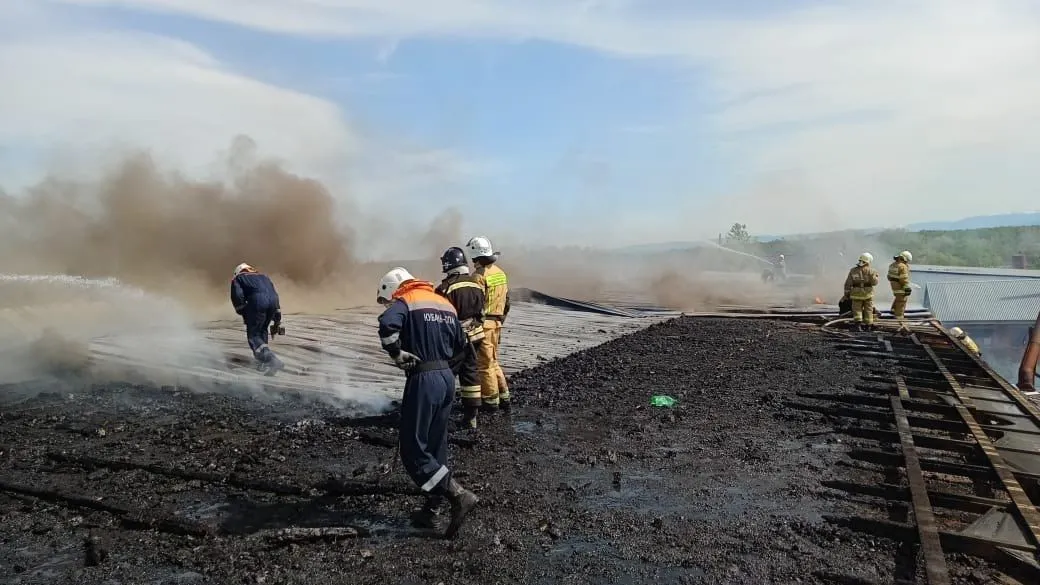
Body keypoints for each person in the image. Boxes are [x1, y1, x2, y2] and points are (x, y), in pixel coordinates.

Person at [376, 267, 478, 538]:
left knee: (413, 448)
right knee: (436, 444)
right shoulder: (443, 301)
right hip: (447, 379)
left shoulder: (405, 301)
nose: (389, 302)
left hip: (423, 378)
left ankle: (457, 494)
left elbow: (387, 326)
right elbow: (460, 342)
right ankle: (431, 512)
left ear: (393, 288)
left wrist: (397, 354)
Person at [434, 247, 486, 430]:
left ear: (448, 265)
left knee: (445, 375)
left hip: (456, 340)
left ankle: (439, 415)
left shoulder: (445, 288)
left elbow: (439, 318)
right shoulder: (476, 284)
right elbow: (481, 313)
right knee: (470, 374)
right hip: (477, 337)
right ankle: (471, 416)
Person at [466, 236, 512, 413]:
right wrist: (500, 320)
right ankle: (504, 397)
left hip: (483, 325)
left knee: (484, 366)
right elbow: (507, 302)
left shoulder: (478, 277)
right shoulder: (500, 272)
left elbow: (474, 304)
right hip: (497, 324)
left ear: (474, 256)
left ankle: (491, 403)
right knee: (493, 362)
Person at [230, 263, 285, 375]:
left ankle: (271, 359)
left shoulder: (238, 278)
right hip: (273, 303)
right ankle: (263, 362)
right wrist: (277, 318)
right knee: (262, 330)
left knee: (254, 335)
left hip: (257, 302)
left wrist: (243, 311)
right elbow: (274, 295)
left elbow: (237, 295)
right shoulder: (264, 277)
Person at [843, 253, 880, 331]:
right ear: (868, 261)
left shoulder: (853, 270)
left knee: (857, 309)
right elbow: (874, 283)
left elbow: (848, 283)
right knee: (869, 309)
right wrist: (875, 277)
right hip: (868, 293)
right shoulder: (872, 270)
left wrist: (846, 294)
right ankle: (868, 326)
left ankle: (858, 326)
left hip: (856, 294)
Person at [887, 250, 913, 332]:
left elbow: (889, 276)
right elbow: (903, 278)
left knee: (898, 298)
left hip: (894, 285)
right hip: (900, 285)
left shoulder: (892, 265)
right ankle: (899, 318)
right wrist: (906, 287)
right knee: (902, 300)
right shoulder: (902, 266)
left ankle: (893, 309)